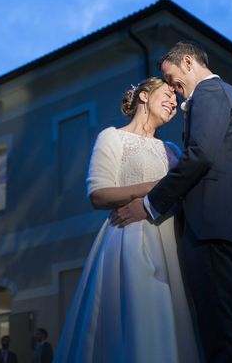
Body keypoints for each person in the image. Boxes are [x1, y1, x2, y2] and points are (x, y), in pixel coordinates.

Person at [113, 40, 232, 362]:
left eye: (171, 78)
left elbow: (199, 156)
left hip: (210, 230)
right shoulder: (229, 95)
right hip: (226, 228)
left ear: (187, 62)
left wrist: (148, 205)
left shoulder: (209, 93)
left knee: (222, 337)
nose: (172, 88)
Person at [54, 77, 200, 362]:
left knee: (171, 322)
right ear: (144, 96)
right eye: (168, 94)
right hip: (129, 241)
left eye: (176, 97)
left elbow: (191, 189)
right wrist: (157, 187)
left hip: (171, 244)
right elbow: (98, 194)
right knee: (137, 323)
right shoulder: (113, 137)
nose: (175, 101)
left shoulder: (173, 149)